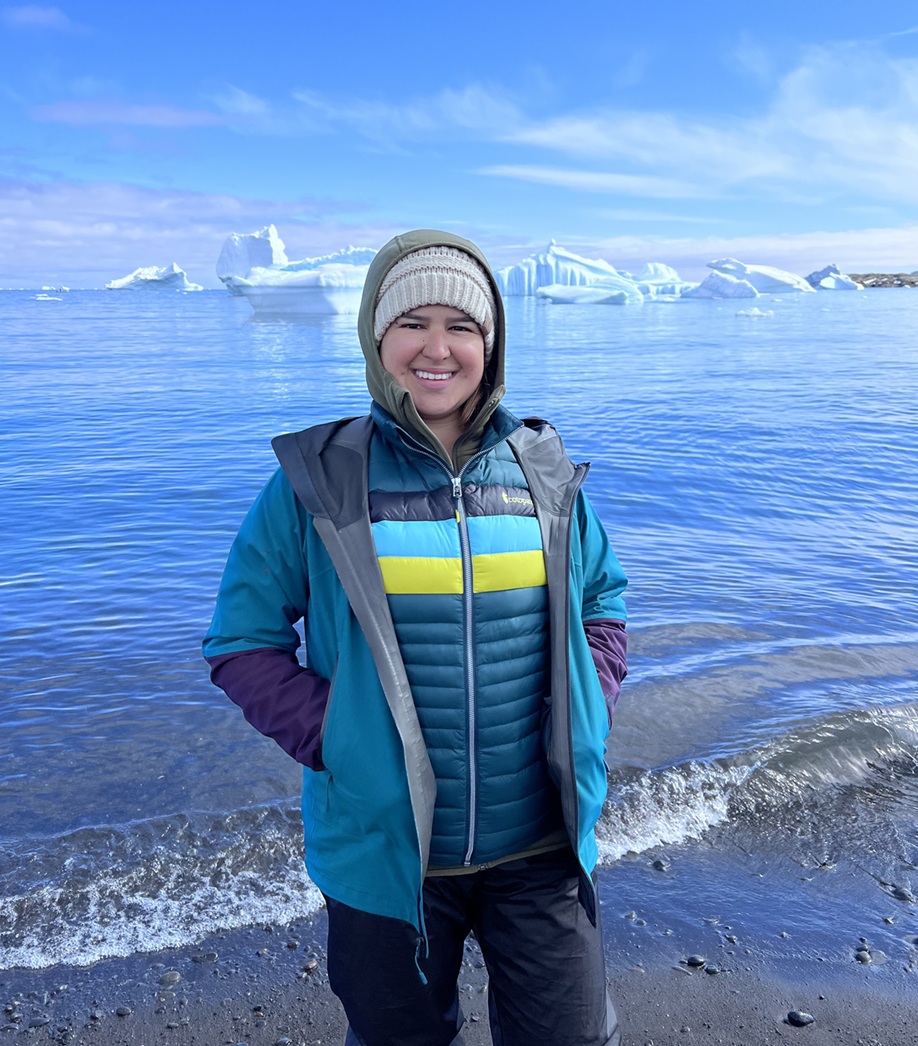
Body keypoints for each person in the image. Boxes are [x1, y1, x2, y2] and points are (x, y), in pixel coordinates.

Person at [203, 229, 628, 1046]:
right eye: (413, 323)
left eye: (461, 326)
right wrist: (339, 738)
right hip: (386, 860)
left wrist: (590, 700)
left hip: (539, 847)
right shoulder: (320, 479)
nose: (437, 348)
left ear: (490, 342)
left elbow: (601, 598)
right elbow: (241, 641)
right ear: (377, 337)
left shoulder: (539, 467)